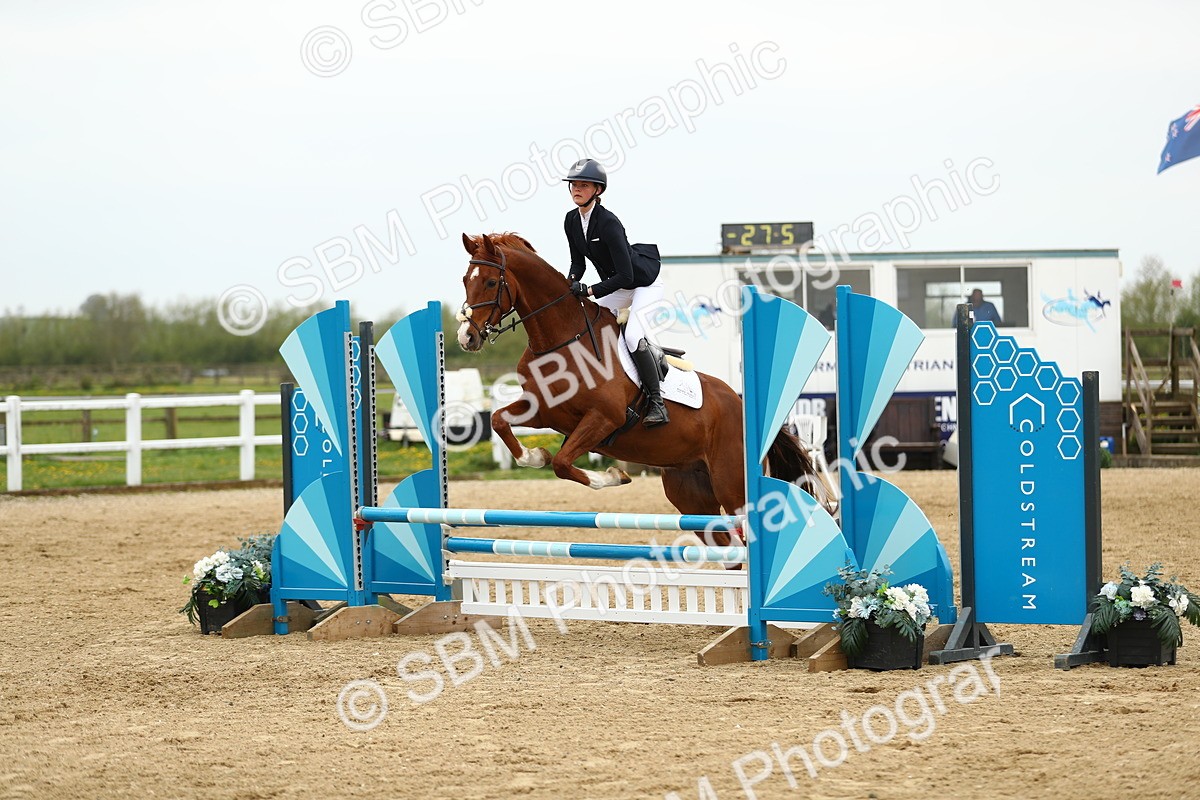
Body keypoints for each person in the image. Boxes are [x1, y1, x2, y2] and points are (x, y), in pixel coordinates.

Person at [562, 157, 669, 427]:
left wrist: (590, 289)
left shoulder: (608, 222)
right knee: (591, 320)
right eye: (574, 184)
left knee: (632, 335)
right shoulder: (571, 221)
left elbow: (627, 275)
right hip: (620, 286)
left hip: (644, 284)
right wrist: (570, 283)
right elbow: (578, 262)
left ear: (598, 190)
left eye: (584, 185)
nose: (577, 189)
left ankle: (657, 401)